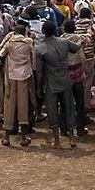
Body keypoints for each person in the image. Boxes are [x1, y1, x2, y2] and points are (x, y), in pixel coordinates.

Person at [35, 20, 82, 149]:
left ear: (43, 31)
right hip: (65, 79)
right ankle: (72, 137)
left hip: (51, 82)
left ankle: (57, 141)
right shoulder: (64, 42)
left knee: (52, 110)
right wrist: (82, 40)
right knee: (69, 108)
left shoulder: (40, 48)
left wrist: (38, 87)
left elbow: (39, 72)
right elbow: (76, 48)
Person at [0, 20, 35, 147]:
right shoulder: (28, 42)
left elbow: (1, 53)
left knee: (9, 104)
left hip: (11, 75)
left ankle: (7, 136)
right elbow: (33, 57)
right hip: (24, 75)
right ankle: (24, 136)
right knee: (23, 104)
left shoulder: (10, 43)